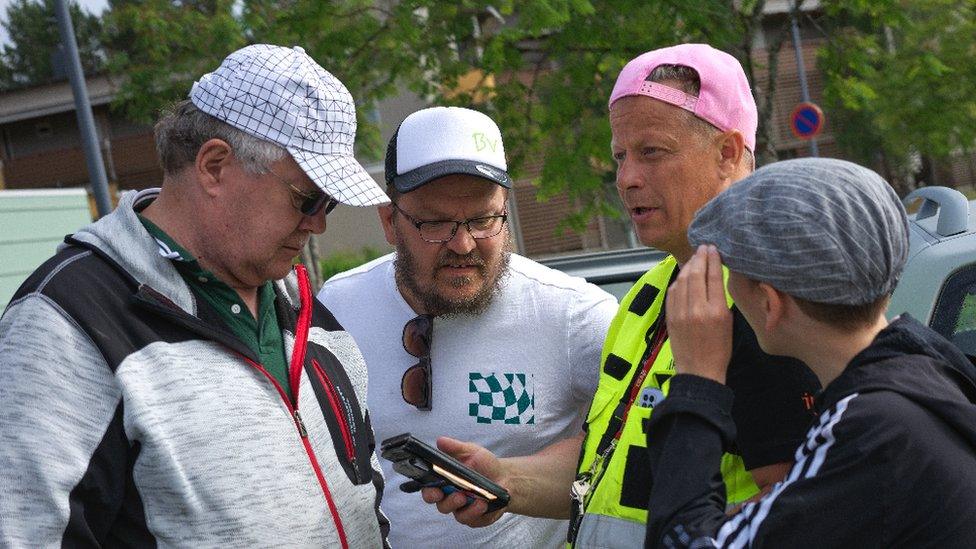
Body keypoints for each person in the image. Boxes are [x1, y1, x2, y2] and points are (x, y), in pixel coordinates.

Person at [419, 44, 822, 548]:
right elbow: (606, 465)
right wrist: (506, 479)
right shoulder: (650, 292)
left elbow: (802, 505)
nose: (627, 178)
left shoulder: (764, 297)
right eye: (619, 156)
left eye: (652, 151)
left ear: (728, 152)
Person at [0, 44, 392, 547]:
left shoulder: (307, 313)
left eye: (329, 202)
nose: (317, 223)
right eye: (307, 197)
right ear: (213, 166)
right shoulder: (65, 324)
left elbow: (363, 503)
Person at [317, 105, 619, 547]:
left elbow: (634, 450)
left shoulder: (575, 315)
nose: (463, 244)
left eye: (482, 220)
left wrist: (511, 480)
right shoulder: (337, 307)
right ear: (389, 222)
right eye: (434, 223)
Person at [646, 157, 976, 547]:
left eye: (733, 276)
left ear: (770, 304)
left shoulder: (871, 430)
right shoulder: (929, 373)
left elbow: (683, 543)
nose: (729, 292)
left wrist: (697, 382)